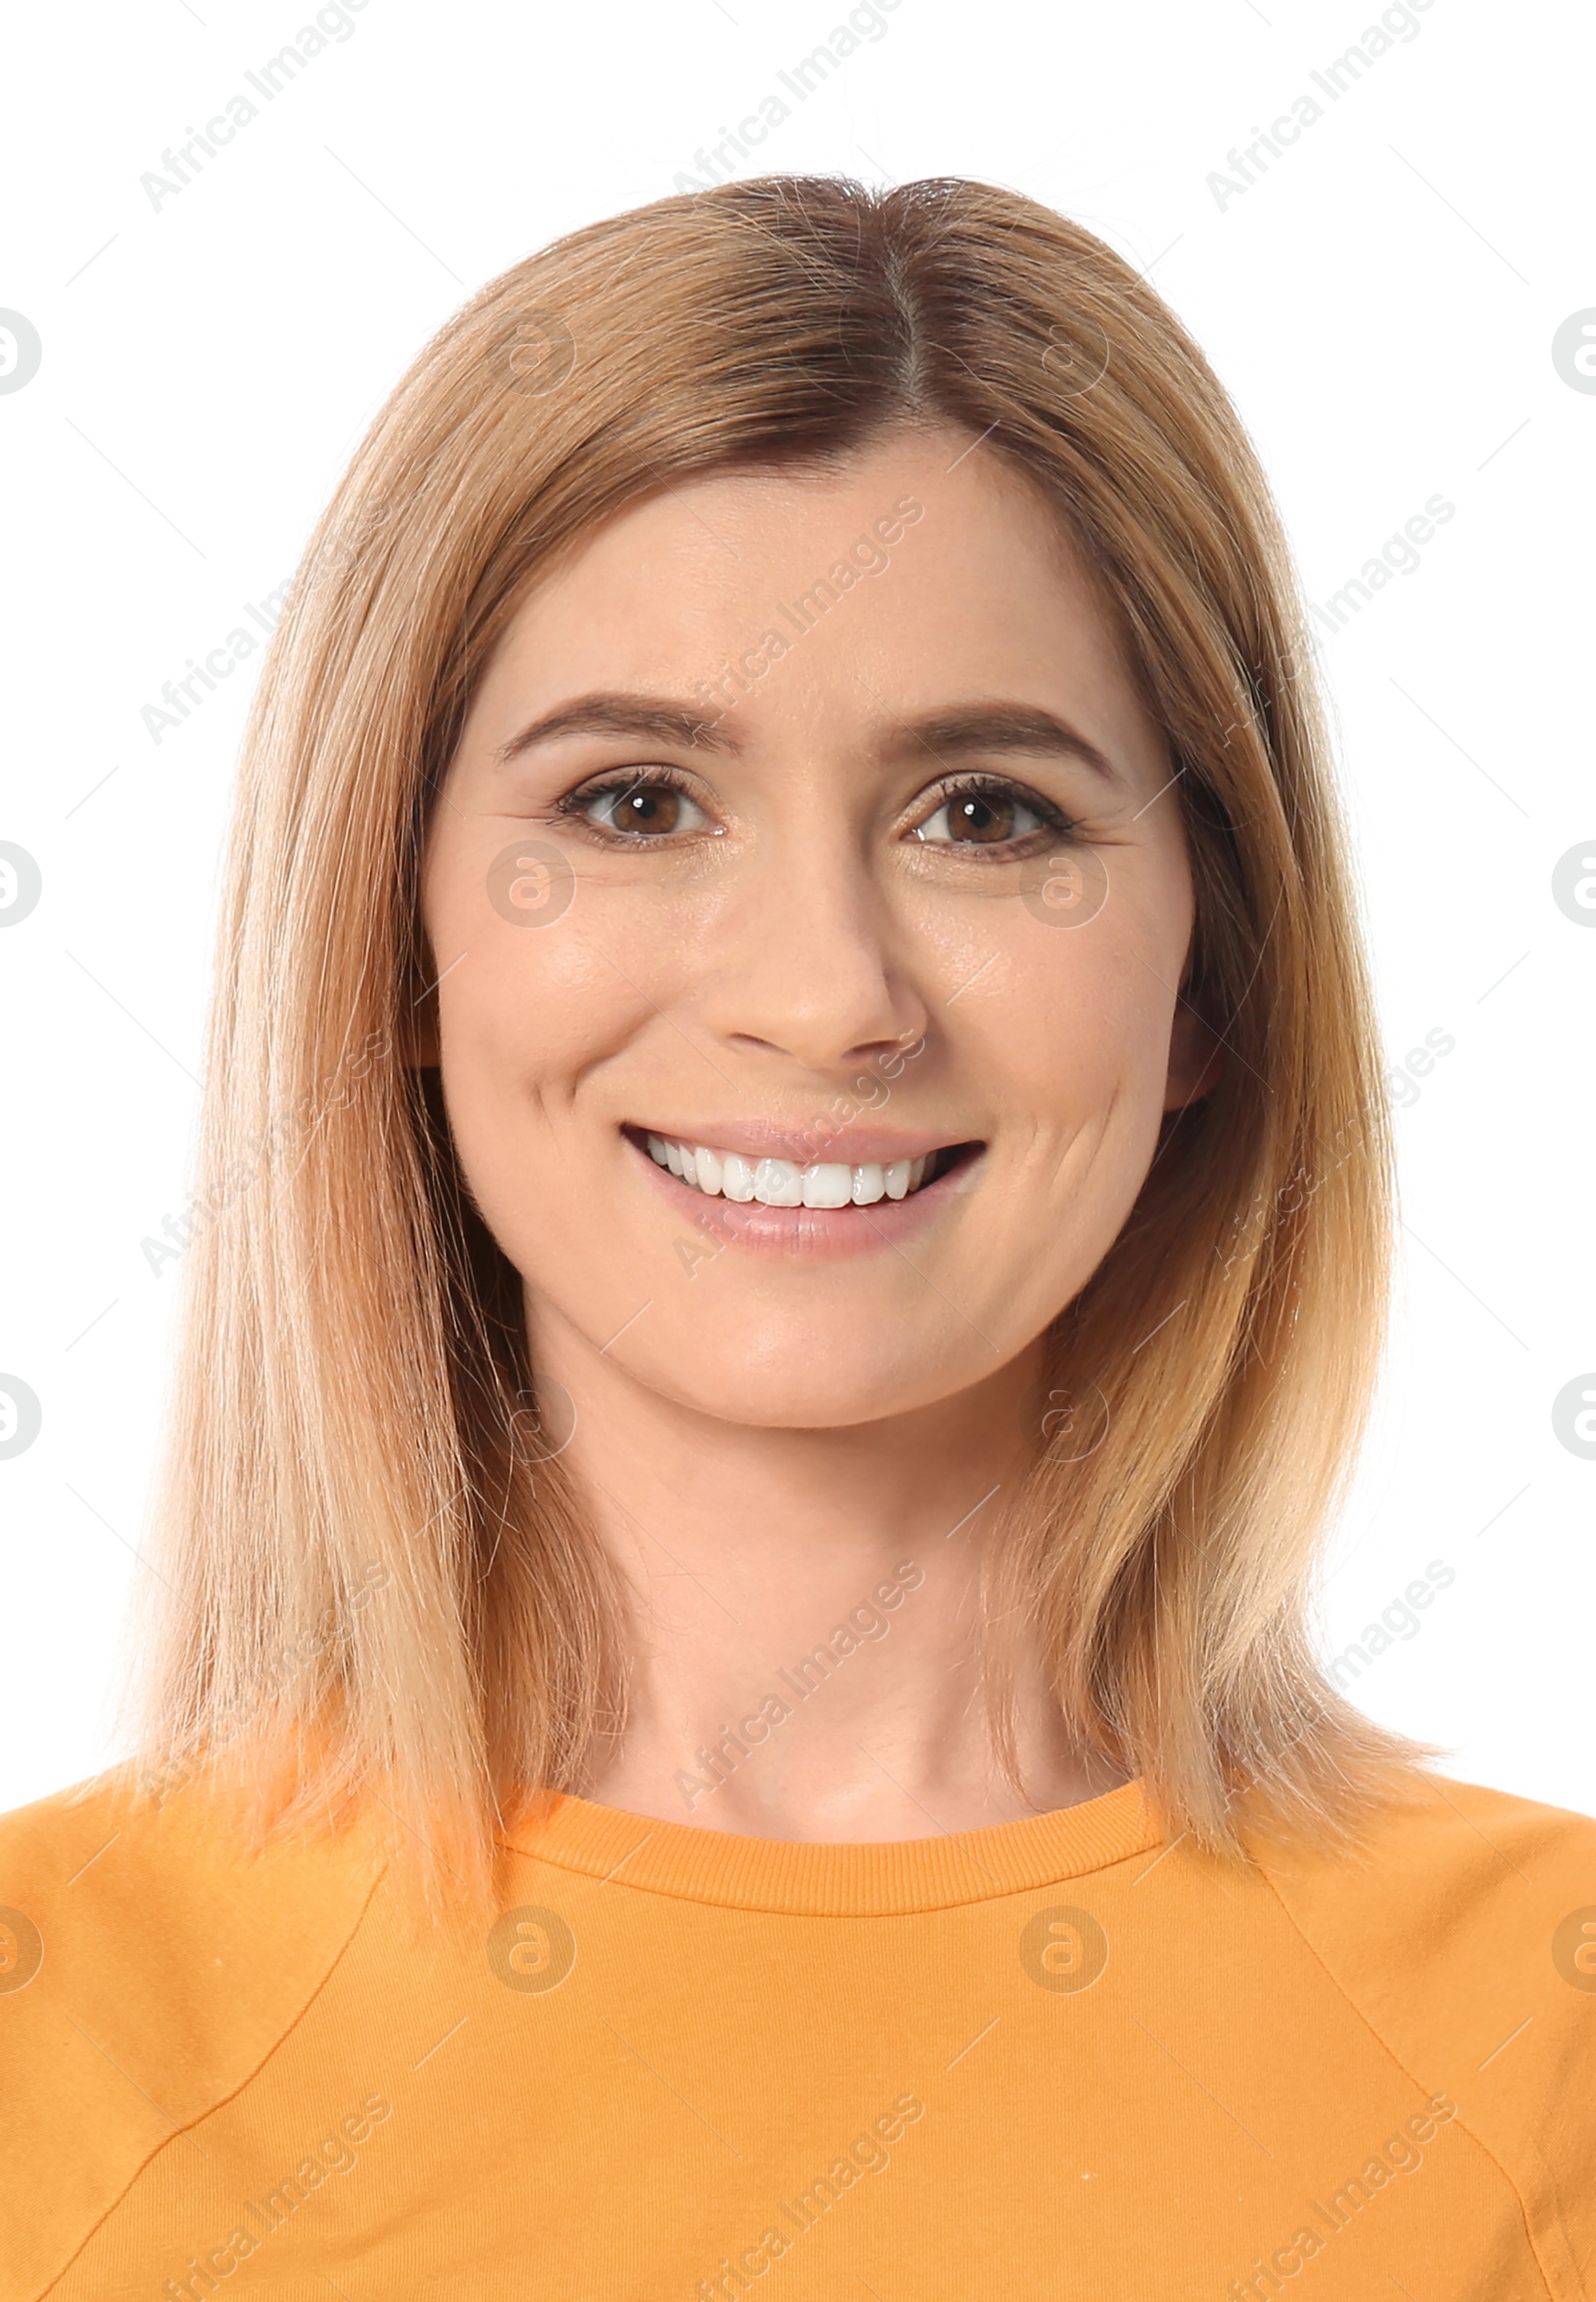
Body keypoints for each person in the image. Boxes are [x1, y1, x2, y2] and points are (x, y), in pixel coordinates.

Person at [2, 176, 1589, 2301]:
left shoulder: (1540, 2038)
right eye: (636, 801)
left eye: (987, 811)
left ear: (1209, 971)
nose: (827, 989)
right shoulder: (54, 2038)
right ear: (400, 942)